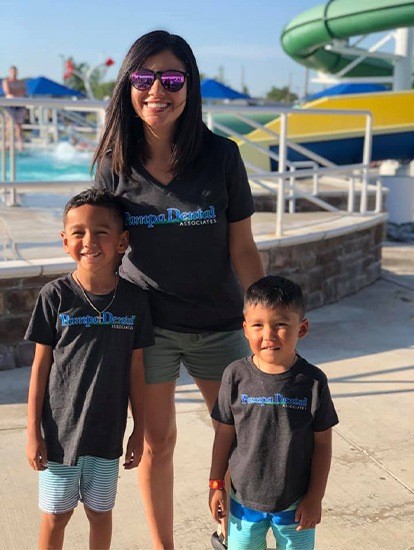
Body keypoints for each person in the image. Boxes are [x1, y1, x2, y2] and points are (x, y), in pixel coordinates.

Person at [93, 30, 265, 548]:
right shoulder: (112, 164)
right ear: (128, 85)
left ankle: (228, 531)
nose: (157, 91)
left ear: (189, 87)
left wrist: (259, 321)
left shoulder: (222, 157)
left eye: (172, 78)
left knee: (241, 435)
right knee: (154, 441)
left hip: (218, 322)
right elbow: (99, 249)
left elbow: (243, 249)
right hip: (148, 327)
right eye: (144, 78)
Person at [25, 188, 154, 550]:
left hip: (106, 435)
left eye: (101, 231)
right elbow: (39, 369)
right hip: (57, 437)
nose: (89, 241)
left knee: (100, 513)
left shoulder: (135, 301)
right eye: (78, 232)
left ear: (122, 241)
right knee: (56, 515)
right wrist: (33, 431)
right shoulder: (54, 297)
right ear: (65, 242)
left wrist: (139, 429)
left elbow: (136, 371)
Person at [209, 275, 339, 550]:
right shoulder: (235, 375)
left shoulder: (313, 382)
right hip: (243, 503)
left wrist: (315, 497)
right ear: (245, 329)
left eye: (280, 324)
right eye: (258, 325)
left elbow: (323, 445)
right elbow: (223, 434)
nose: (268, 335)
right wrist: (216, 484)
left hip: (295, 504)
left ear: (301, 328)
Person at [2, 65, 26, 151]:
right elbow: (8, 92)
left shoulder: (21, 82)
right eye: (13, 71)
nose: (14, 73)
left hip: (19, 104)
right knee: (9, 125)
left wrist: (14, 91)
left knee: (19, 125)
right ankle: (8, 144)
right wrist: (16, 92)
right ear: (10, 72)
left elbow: (23, 91)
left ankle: (20, 145)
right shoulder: (6, 81)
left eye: (15, 71)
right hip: (10, 104)